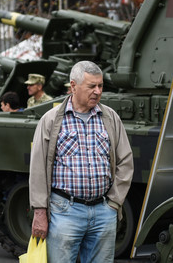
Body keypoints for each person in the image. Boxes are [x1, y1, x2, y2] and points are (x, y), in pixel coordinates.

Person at [28, 61, 133, 263]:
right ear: (73, 86)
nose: (97, 91)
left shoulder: (110, 118)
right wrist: (40, 211)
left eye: (100, 86)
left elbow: (125, 161)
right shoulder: (51, 120)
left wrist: (114, 202)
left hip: (103, 211)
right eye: (91, 86)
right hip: (65, 211)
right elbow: (38, 167)